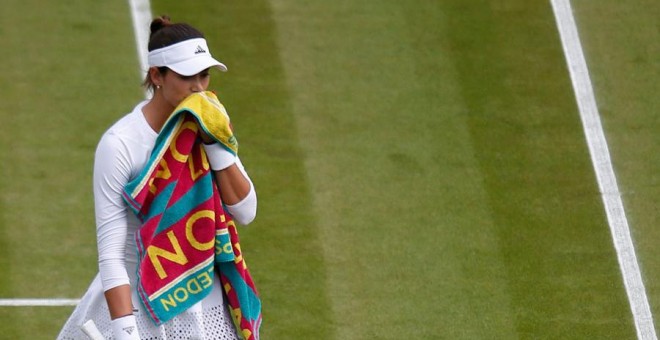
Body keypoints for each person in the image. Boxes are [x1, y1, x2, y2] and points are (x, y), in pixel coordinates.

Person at [58, 16, 258, 339]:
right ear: (157, 76)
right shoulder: (119, 145)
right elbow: (110, 256)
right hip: (137, 305)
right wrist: (126, 333)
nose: (198, 87)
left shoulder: (211, 124)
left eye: (204, 75)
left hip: (202, 305)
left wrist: (214, 142)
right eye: (186, 76)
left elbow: (246, 211)